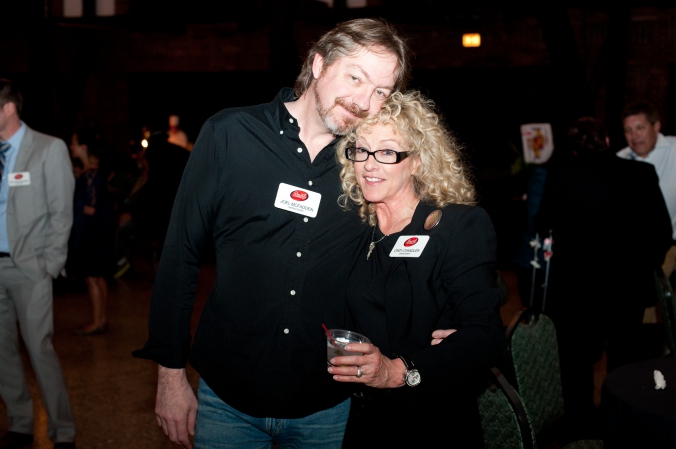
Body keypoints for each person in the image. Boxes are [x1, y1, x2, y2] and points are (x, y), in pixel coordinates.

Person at [133, 19, 411, 448]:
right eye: (355, 77)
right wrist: (170, 376)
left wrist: (450, 320)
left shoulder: (372, 165)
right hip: (227, 400)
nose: (363, 102)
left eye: (381, 92)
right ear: (318, 64)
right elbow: (180, 255)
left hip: (325, 404)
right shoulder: (230, 135)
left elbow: (420, 243)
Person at [329, 91, 505, 447]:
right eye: (361, 150)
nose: (369, 165)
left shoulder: (457, 226)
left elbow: (485, 336)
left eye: (388, 152)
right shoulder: (353, 233)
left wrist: (398, 371)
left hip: (431, 422)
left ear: (418, 161)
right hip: (359, 423)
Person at [536, 117, 672, 440]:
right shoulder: (640, 174)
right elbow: (662, 231)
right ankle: (622, 424)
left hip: (577, 291)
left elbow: (544, 228)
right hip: (627, 288)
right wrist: (645, 267)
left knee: (578, 364)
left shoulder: (561, 175)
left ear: (572, 149)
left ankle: (581, 426)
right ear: (608, 142)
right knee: (624, 358)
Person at [0, 79, 76, 448]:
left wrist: (50, 263)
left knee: (39, 349)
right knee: (1, 350)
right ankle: (19, 421)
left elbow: (62, 212)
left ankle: (63, 430)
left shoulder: (48, 148)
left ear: (8, 108)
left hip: (31, 268)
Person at [616, 102, 676, 281]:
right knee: (649, 304)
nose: (634, 136)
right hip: (647, 251)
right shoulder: (620, 161)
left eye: (640, 128)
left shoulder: (674, 149)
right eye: (628, 130)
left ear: (656, 126)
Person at [68, 125, 115, 335]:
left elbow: (90, 207)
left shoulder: (91, 175)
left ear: (84, 146)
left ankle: (98, 321)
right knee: (98, 277)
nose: (71, 146)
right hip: (98, 232)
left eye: (74, 143)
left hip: (91, 233)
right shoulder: (92, 171)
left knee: (92, 277)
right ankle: (101, 319)